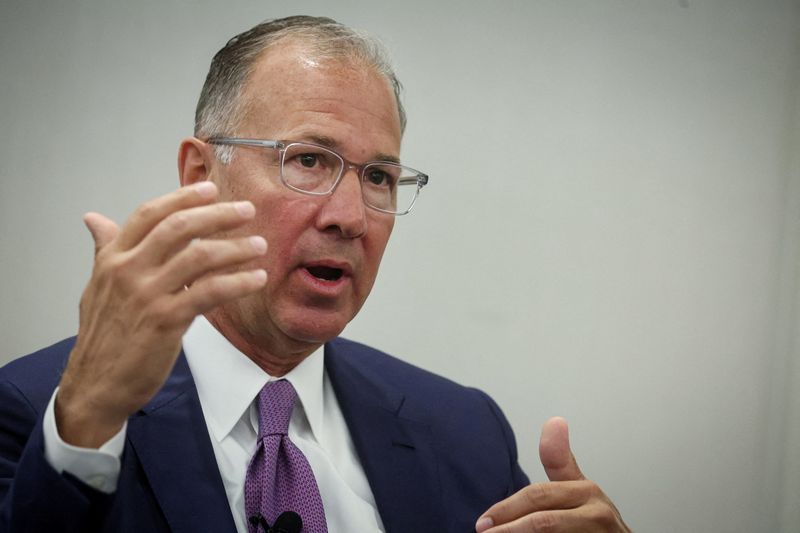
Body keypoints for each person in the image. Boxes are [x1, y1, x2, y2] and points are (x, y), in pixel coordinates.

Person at [0, 15, 630, 533]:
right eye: (308, 160)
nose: (351, 217)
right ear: (201, 177)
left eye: (379, 176)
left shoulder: (464, 430)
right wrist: (85, 419)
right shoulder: (42, 414)